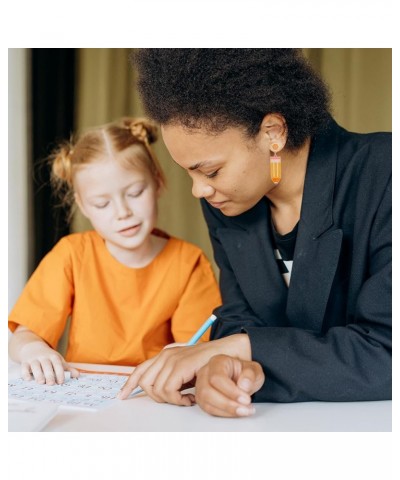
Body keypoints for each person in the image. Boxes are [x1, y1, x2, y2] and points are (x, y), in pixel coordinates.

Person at [118, 49, 392, 418]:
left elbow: (387, 352)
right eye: (189, 173)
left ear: (273, 133)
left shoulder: (386, 174)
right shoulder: (228, 203)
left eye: (211, 172)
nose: (198, 190)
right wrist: (220, 369)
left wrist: (237, 350)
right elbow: (238, 317)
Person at [8, 117, 221, 386]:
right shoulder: (72, 255)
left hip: (153, 395)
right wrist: (33, 350)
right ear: (83, 206)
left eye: (134, 193)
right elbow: (24, 336)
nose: (123, 213)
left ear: (158, 183)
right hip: (83, 392)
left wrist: (185, 353)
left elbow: (196, 348)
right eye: (102, 203)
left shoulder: (188, 262)